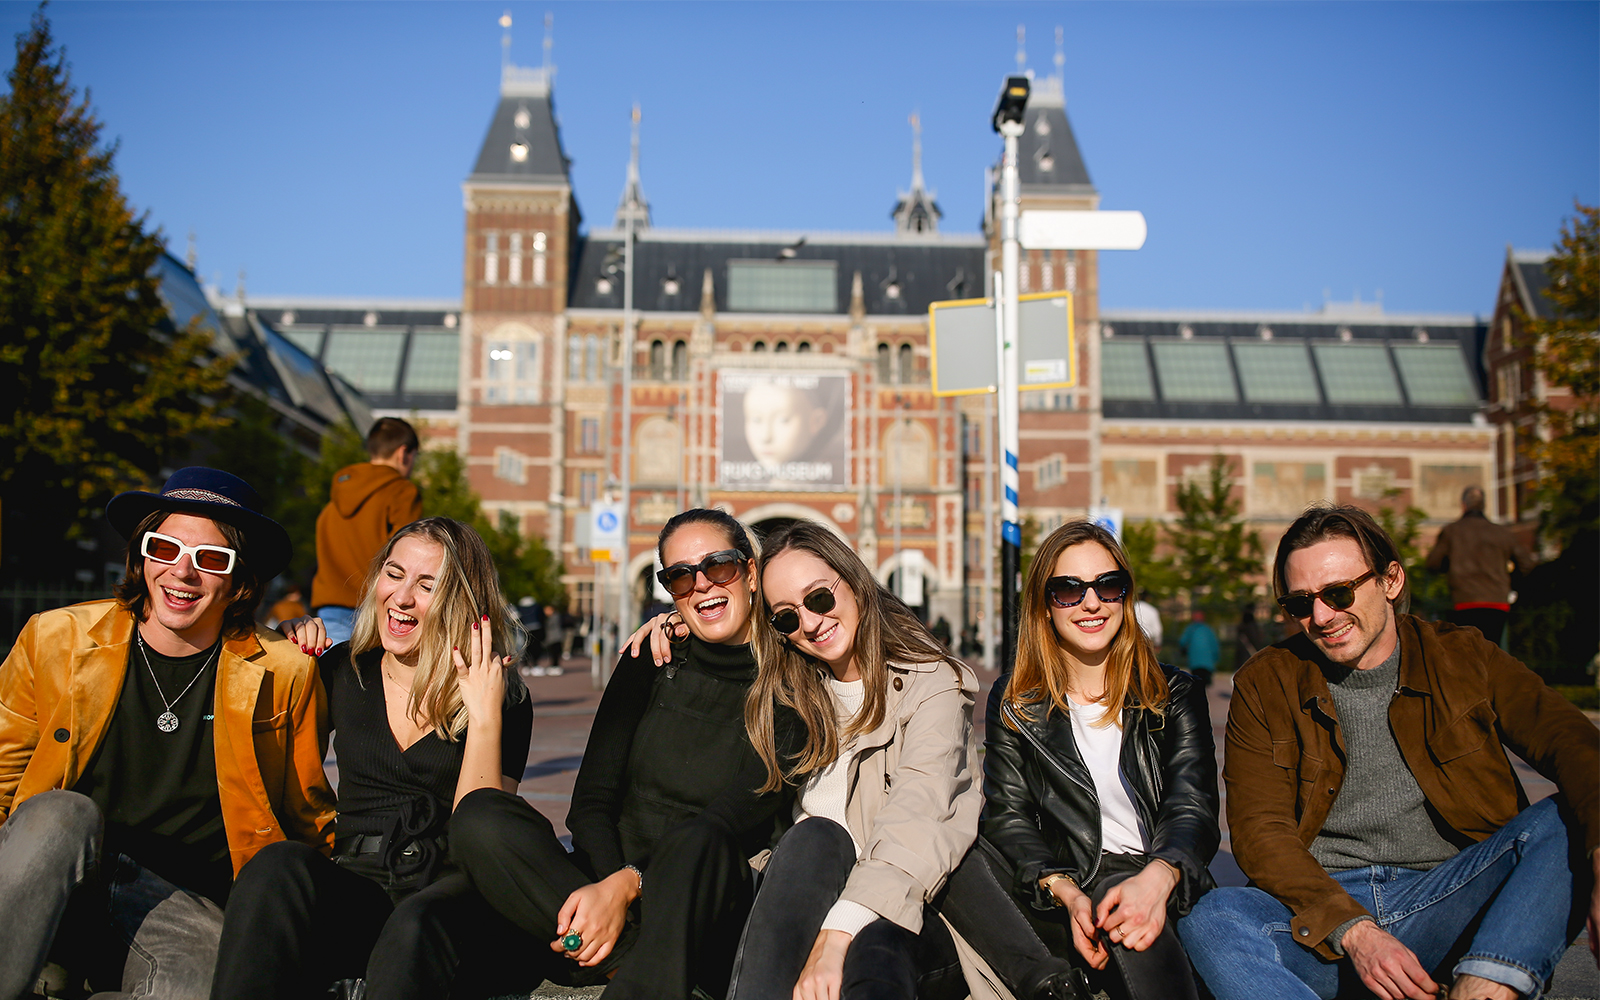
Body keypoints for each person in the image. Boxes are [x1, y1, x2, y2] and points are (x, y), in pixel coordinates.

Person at [1179, 504, 1600, 1000]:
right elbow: (1259, 832)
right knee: (1213, 918)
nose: (1320, 617)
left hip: (1451, 897)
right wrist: (1355, 931)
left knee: (1569, 817)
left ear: (1391, 580)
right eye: (1300, 603)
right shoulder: (1266, 680)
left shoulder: (1464, 656)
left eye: (1338, 594)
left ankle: (1484, 986)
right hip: (1321, 920)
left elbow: (1573, 743)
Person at [0, 467, 334, 1000]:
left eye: (211, 559)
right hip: (57, 874)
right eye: (166, 548)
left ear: (239, 578)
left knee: (194, 987)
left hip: (181, 899)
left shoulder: (285, 670)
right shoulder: (54, 639)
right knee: (61, 813)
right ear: (143, 555)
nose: (183, 573)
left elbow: (306, 812)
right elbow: (2, 778)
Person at [448, 508, 804, 1000]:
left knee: (700, 842)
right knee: (480, 816)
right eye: (680, 576)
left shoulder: (794, 684)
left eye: (717, 566)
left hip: (702, 904)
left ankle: (623, 957)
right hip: (602, 891)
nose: (700, 585)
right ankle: (628, 957)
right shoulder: (649, 659)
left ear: (748, 572)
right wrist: (607, 889)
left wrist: (628, 887)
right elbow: (592, 800)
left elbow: (730, 821)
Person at [729, 520, 1074, 1000]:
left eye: (819, 598)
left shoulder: (930, 682)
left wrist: (837, 933)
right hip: (800, 894)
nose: (809, 623)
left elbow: (919, 811)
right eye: (786, 617)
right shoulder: (784, 691)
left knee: (873, 944)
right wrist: (673, 624)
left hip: (904, 901)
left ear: (853, 581)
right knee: (813, 838)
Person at [210, 517, 535, 1000]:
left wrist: (484, 715)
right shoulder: (343, 669)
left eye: (428, 585)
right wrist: (281, 650)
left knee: (415, 922)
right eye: (394, 573)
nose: (401, 597)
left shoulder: (501, 695)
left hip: (444, 893)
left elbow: (480, 829)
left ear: (461, 601)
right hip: (356, 881)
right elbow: (265, 752)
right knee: (276, 865)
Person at [982, 520, 1219, 1000]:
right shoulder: (1014, 700)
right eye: (1068, 590)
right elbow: (1007, 815)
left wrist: (1157, 877)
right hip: (1062, 883)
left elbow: (1192, 807)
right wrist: (1065, 891)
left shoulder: (1172, 694)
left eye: (1107, 586)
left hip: (1155, 873)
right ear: (1044, 607)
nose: (1091, 602)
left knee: (1126, 899)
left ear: (1125, 599)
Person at [311, 417, 422, 646]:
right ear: (403, 453)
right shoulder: (402, 491)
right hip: (376, 611)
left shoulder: (337, 496)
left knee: (329, 679)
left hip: (329, 609)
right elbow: (411, 555)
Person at [1425, 484, 1535, 648]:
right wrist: (1511, 583)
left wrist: (1448, 567)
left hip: (1464, 600)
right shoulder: (1502, 533)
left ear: (1463, 505)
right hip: (1497, 601)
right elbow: (1526, 564)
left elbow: (1433, 563)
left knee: (1467, 653)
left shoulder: (1452, 531)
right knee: (1492, 652)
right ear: (1484, 505)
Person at [1177, 610, 1218, 687]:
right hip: (1207, 662)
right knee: (1205, 681)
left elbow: (1182, 642)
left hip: (1194, 661)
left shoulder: (1190, 629)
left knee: (1197, 681)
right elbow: (1214, 645)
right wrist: (1215, 658)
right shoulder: (1208, 629)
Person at [1232, 604, 1267, 668]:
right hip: (1249, 654)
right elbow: (1255, 638)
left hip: (1244, 654)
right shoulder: (1251, 625)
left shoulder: (1243, 625)